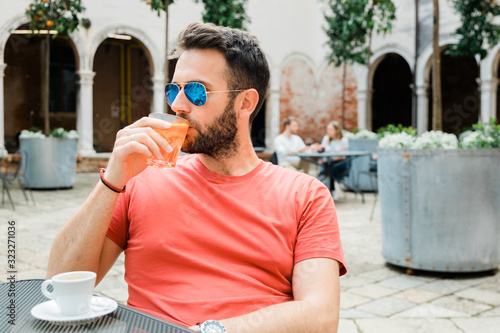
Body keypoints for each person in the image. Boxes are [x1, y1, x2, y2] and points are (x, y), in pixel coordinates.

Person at [46, 22, 346, 333]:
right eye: (173, 89)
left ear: (246, 103)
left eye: (196, 91)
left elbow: (320, 317)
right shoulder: (139, 179)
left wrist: (209, 331)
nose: (176, 105)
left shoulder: (305, 195)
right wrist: (112, 179)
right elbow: (60, 283)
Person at [319, 121, 349, 200]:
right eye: (327, 129)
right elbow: (322, 149)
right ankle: (337, 185)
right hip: (329, 162)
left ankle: (332, 190)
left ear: (336, 130)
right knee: (329, 166)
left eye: (330, 129)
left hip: (341, 162)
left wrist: (332, 159)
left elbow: (342, 156)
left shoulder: (343, 140)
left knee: (331, 166)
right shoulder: (326, 138)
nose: (328, 131)